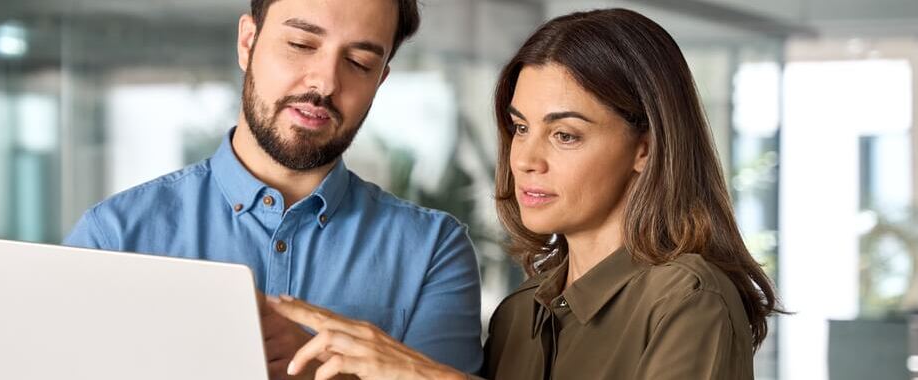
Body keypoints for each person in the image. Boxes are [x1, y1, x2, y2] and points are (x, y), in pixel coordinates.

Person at [267, 8, 781, 380]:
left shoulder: (689, 300)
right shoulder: (518, 317)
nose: (526, 160)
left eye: (565, 135)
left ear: (644, 148)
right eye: (519, 128)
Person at [63, 0, 483, 377]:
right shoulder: (113, 236)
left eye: (358, 62)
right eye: (301, 44)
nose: (324, 83)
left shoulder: (432, 251)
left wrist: (321, 372)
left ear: (381, 79)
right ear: (248, 42)